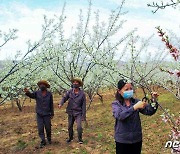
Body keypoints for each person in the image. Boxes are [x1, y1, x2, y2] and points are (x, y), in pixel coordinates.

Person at [112, 79, 159, 154]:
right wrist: (134, 108)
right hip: (122, 140)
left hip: (136, 139)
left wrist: (154, 100)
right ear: (119, 91)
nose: (129, 91)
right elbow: (120, 116)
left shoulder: (136, 101)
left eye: (131, 89)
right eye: (126, 89)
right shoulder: (116, 104)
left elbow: (149, 111)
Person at [24, 80, 54, 148]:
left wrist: (52, 113)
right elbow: (31, 95)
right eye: (41, 84)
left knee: (48, 127)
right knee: (40, 128)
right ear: (39, 86)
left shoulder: (49, 94)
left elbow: (51, 104)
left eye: (43, 84)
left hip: (47, 114)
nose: (42, 86)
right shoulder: (37, 93)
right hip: (39, 113)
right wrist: (27, 92)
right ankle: (43, 141)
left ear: (46, 86)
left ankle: (49, 139)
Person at [58, 77, 86, 144]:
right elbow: (64, 98)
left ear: (79, 84)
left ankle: (80, 139)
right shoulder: (70, 91)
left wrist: (83, 116)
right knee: (70, 126)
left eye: (76, 82)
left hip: (78, 112)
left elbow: (83, 105)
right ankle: (70, 138)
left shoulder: (82, 94)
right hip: (70, 112)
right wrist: (61, 103)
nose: (75, 83)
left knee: (79, 127)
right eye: (74, 82)